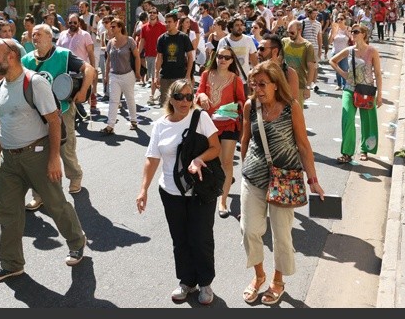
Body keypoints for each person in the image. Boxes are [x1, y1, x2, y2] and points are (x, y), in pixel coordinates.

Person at [0, 39, 87, 283]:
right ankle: (11, 264)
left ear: (11, 56)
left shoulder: (34, 83)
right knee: (6, 211)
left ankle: (77, 242)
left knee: (55, 204)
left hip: (37, 155)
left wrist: (53, 159)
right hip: (9, 160)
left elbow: (54, 121)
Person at [239, 61, 325, 305]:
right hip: (254, 177)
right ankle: (259, 275)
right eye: (254, 84)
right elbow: (245, 140)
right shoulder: (250, 106)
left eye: (262, 84)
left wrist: (313, 180)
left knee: (281, 234)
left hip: (285, 180)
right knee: (249, 229)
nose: (257, 89)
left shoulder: (291, 107)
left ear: (276, 84)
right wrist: (244, 168)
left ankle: (278, 280)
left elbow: (303, 145)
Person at [136, 79, 221, 305]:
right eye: (180, 97)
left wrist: (199, 159)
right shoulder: (160, 125)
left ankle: (205, 283)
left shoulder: (200, 118)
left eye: (189, 97)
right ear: (171, 99)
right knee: (180, 239)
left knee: (201, 238)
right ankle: (187, 281)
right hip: (170, 192)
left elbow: (216, 147)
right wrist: (143, 189)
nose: (185, 101)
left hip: (200, 191)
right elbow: (152, 159)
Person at [21, 24, 95, 210]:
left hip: (62, 110)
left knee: (65, 149)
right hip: (36, 115)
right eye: (33, 35)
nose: (35, 38)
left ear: (49, 37)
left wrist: (83, 91)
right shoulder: (26, 60)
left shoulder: (63, 55)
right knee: (37, 156)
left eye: (39, 34)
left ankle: (75, 176)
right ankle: (39, 194)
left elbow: (89, 69)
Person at [195, 46, 246, 218]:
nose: (222, 60)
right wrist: (201, 96)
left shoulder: (235, 79)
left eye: (226, 57)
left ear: (232, 61)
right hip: (208, 125)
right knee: (213, 161)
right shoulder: (206, 74)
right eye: (220, 56)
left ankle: (222, 201)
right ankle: (218, 185)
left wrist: (235, 106)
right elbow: (199, 93)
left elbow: (242, 101)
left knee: (227, 162)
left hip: (228, 124)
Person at [329, 24, 383, 163]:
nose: (353, 33)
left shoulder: (372, 51)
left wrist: (380, 95)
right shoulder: (349, 50)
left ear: (363, 34)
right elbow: (332, 61)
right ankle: (347, 153)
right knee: (347, 118)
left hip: (366, 90)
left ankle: (365, 149)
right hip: (350, 88)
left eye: (356, 31)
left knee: (368, 121)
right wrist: (343, 74)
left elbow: (377, 73)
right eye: (352, 31)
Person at [101, 18, 140, 134]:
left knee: (129, 98)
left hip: (127, 74)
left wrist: (137, 72)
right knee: (113, 100)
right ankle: (110, 126)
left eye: (113, 26)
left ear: (120, 28)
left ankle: (133, 121)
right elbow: (108, 60)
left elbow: (137, 57)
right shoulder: (110, 42)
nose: (111, 28)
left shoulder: (129, 41)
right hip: (114, 75)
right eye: (111, 26)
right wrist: (106, 75)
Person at [154, 11, 195, 106]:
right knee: (165, 104)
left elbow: (190, 56)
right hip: (165, 76)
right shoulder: (162, 38)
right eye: (166, 22)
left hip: (180, 76)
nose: (167, 24)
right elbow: (159, 57)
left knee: (180, 103)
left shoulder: (183, 37)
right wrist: (156, 75)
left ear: (176, 23)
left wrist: (188, 75)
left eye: (169, 22)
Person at [281, 20, 316, 108]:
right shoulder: (284, 41)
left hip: (299, 85)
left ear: (300, 30)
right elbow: (279, 60)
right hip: (284, 84)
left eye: (292, 32)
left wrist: (308, 88)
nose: (290, 35)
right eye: (288, 32)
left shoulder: (307, 46)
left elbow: (311, 68)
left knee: (296, 111)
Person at [139, 6, 167, 104]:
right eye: (150, 12)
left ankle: (152, 95)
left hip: (160, 55)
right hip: (149, 55)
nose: (152, 14)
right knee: (153, 76)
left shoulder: (163, 26)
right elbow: (142, 41)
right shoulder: (144, 27)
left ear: (157, 14)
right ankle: (159, 94)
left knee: (156, 76)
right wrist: (137, 53)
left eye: (154, 12)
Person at [328, 14, 351, 90]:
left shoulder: (348, 29)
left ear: (345, 20)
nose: (339, 20)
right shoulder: (334, 29)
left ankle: (345, 84)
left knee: (344, 69)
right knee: (337, 69)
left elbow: (352, 39)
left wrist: (348, 33)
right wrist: (333, 32)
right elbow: (330, 42)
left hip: (344, 53)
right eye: (338, 19)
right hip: (335, 52)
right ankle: (339, 84)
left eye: (341, 19)